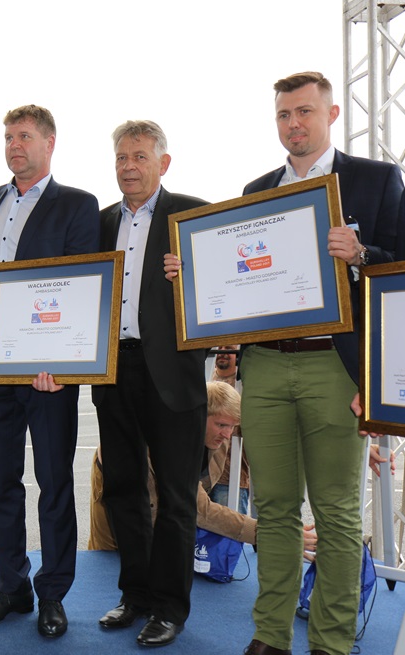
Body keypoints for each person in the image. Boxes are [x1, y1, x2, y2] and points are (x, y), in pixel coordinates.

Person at [166, 71, 403, 655]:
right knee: (272, 509)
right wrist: (192, 279)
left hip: (336, 369)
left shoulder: (375, 180)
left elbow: (399, 271)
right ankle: (269, 638)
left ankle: (330, 642)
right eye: (282, 115)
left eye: (303, 112)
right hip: (266, 366)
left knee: (338, 513)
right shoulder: (258, 187)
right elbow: (245, 277)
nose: (293, 124)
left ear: (329, 116)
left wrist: (364, 253)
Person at [0, 105, 99, 639]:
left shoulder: (78, 205)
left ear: (49, 142)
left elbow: (82, 287)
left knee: (53, 483)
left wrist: (65, 363)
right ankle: (10, 585)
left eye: (24, 136)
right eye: (7, 137)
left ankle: (52, 593)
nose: (13, 145)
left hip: (48, 374)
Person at [92, 120, 207, 648]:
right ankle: (135, 594)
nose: (128, 167)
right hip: (113, 371)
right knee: (122, 489)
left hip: (172, 374)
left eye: (139, 156)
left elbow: (223, 291)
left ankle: (168, 607)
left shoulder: (194, 215)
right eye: (120, 157)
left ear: (163, 162)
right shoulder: (98, 223)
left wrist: (194, 276)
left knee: (178, 498)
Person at [89, 382, 318, 556]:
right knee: (110, 558)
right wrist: (272, 534)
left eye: (232, 426)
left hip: (158, 497)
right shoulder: (170, 441)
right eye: (221, 425)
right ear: (198, 416)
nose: (228, 435)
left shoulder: (221, 425)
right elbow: (201, 510)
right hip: (116, 479)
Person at [207, 345, 250, 514]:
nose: (223, 352)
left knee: (228, 536)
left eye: (229, 348)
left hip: (231, 478)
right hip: (202, 475)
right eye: (220, 348)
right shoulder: (206, 377)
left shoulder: (243, 385)